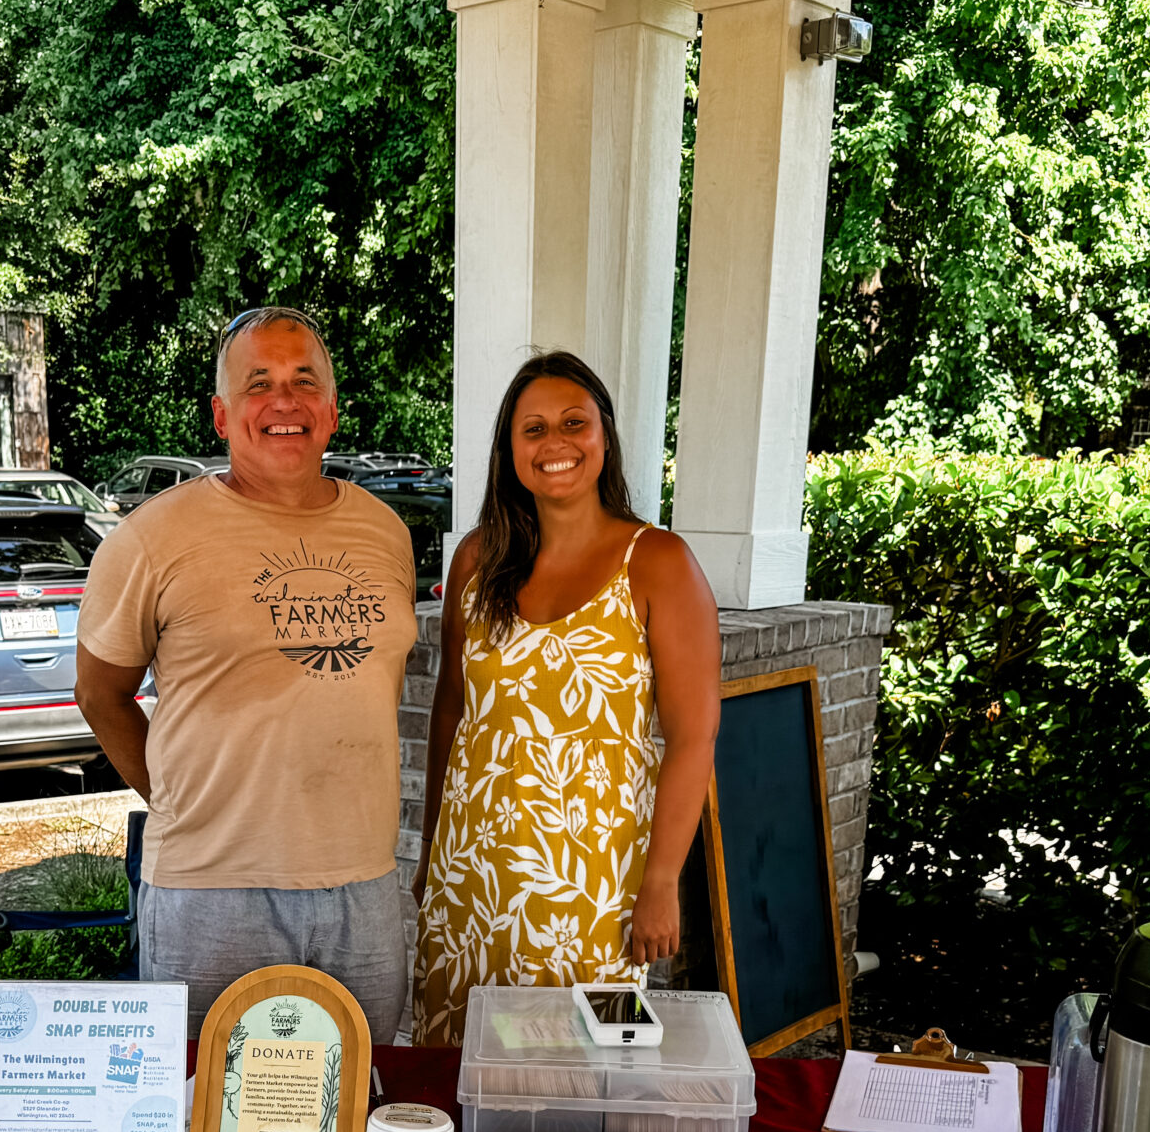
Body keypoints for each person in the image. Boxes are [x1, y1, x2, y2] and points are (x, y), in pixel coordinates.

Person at [74, 306, 419, 1039]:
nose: (284, 401)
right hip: (212, 889)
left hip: (363, 885)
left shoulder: (385, 532)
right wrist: (175, 802)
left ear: (331, 411)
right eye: (258, 383)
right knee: (204, 1103)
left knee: (358, 1094)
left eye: (304, 381)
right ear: (222, 415)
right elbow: (100, 693)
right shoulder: (152, 538)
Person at [411, 352, 720, 1046]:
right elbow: (451, 711)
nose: (555, 442)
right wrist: (431, 849)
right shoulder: (477, 559)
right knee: (458, 1065)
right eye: (534, 428)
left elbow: (694, 737)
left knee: (587, 1066)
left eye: (574, 423)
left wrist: (661, 881)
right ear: (510, 449)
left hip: (594, 884)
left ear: (604, 434)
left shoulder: (658, 562)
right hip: (472, 874)